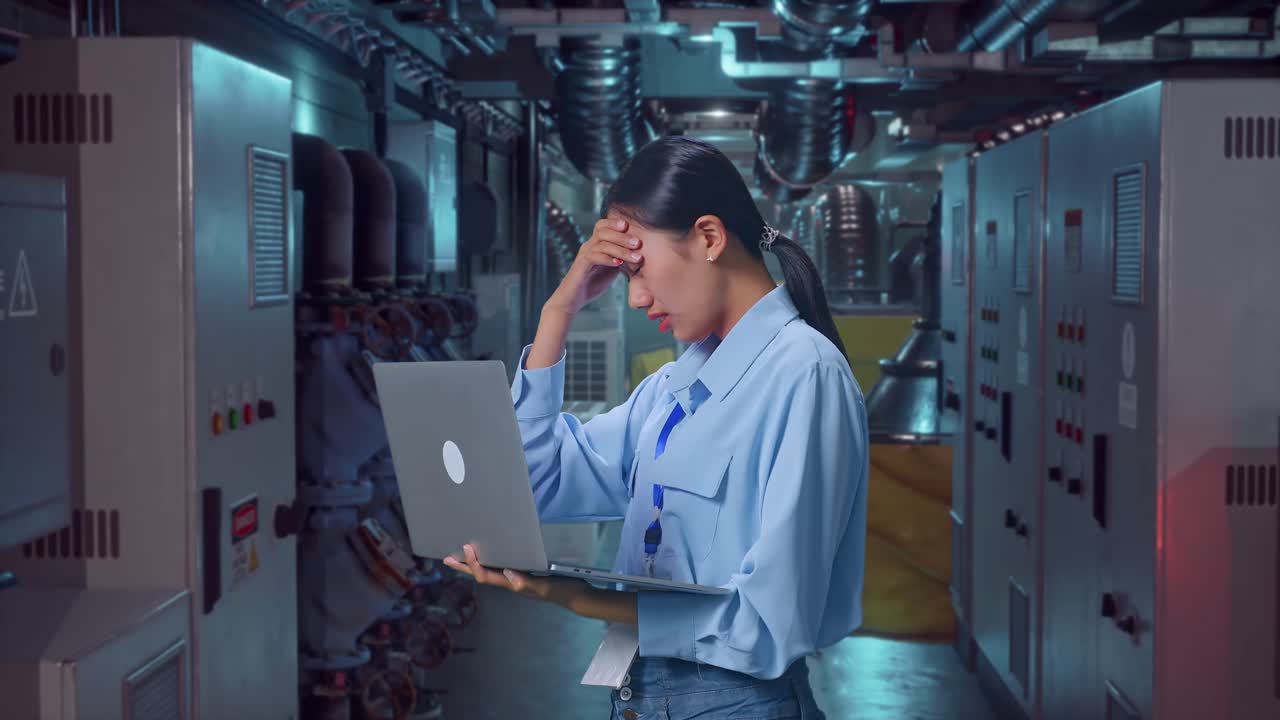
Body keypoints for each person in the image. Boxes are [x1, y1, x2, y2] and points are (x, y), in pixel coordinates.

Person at [444, 136, 868, 719]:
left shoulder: (805, 376)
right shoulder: (672, 390)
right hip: (641, 691)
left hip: (736, 703)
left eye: (638, 269)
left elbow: (768, 623)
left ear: (710, 238)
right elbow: (534, 484)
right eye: (623, 278)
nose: (637, 297)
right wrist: (557, 313)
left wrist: (578, 596)